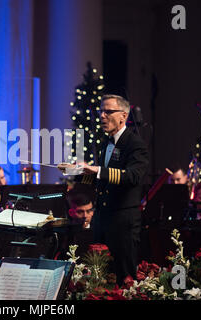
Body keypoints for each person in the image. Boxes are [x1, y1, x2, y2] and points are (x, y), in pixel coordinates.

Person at [76, 94, 149, 284]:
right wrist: (79, 172)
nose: (102, 116)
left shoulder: (135, 144)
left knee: (124, 277)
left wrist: (98, 170)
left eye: (108, 111)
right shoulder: (106, 143)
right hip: (103, 218)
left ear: (123, 116)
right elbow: (103, 181)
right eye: (101, 111)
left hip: (123, 222)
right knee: (99, 276)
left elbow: (132, 176)